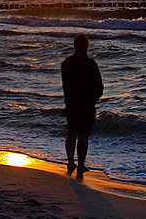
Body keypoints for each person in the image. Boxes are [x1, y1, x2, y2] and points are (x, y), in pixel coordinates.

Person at [61, 33, 103, 180]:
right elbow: (100, 87)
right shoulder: (91, 64)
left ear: (74, 46)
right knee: (83, 135)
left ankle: (71, 162)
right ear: (86, 46)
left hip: (72, 103)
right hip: (86, 104)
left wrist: (67, 102)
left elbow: (65, 86)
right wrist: (93, 100)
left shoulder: (66, 63)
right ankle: (81, 165)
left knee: (72, 133)